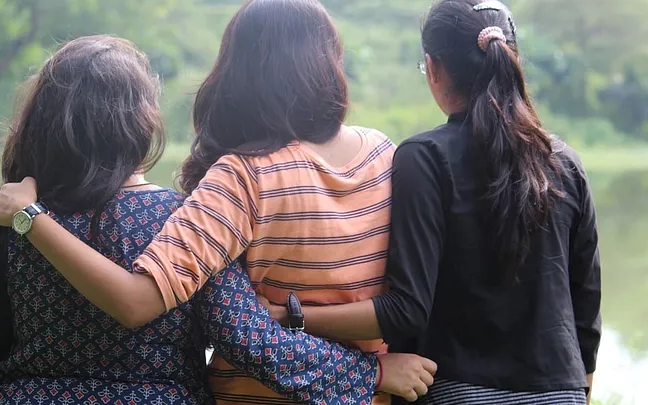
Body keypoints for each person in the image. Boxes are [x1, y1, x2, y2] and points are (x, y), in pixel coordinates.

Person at [0, 34, 431, 405]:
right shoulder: (183, 219)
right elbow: (251, 341)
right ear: (140, 122)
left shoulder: (16, 222)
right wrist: (371, 373)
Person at [258, 1, 602, 404]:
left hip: (456, 391)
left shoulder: (425, 157)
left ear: (434, 68)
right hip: (561, 392)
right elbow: (586, 313)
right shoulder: (565, 162)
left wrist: (290, 316)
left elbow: (406, 310)